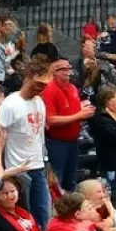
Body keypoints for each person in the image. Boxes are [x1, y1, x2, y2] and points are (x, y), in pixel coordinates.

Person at [0, 57, 51, 231]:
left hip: (38, 165)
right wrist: (2, 169)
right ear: (27, 77)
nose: (40, 88)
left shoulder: (39, 102)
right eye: (38, 83)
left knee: (43, 213)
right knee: (25, 213)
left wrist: (45, 162)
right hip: (18, 168)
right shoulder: (11, 104)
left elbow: (40, 136)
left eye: (44, 85)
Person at [41, 57, 93, 192]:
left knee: (71, 179)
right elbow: (51, 120)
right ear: (54, 71)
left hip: (73, 141)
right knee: (57, 180)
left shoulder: (73, 88)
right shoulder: (49, 90)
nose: (67, 72)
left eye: (68, 68)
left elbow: (73, 111)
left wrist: (83, 110)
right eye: (62, 69)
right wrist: (79, 116)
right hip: (57, 143)